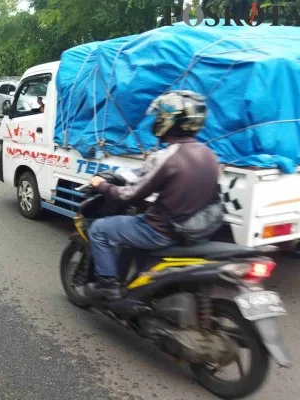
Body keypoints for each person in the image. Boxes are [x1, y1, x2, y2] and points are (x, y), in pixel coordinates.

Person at [85, 90, 219, 300]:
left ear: (170, 120)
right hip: (193, 229)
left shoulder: (166, 157)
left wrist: (102, 185)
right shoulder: (210, 155)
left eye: (160, 116)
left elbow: (129, 196)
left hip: (159, 231)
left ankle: (108, 285)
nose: (157, 120)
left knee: (99, 229)